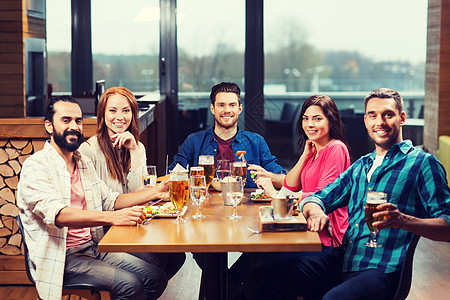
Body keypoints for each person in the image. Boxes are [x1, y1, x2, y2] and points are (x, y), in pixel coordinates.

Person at [244, 88, 450, 300]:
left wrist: (404, 221)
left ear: (402, 118)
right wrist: (315, 211)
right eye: (372, 115)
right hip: (342, 260)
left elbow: (447, 226)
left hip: (379, 270)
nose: (379, 122)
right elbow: (318, 197)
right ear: (365, 121)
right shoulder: (361, 165)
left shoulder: (423, 163)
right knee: (258, 280)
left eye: (388, 114)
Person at [17, 96, 171, 300]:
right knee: (130, 285)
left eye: (78, 121)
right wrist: (113, 218)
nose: (74, 126)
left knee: (156, 277)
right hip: (63, 256)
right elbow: (58, 215)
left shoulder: (82, 163)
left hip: (92, 246)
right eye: (66, 120)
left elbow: (110, 200)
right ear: (49, 126)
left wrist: (156, 192)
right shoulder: (36, 166)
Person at [228, 95, 351, 298]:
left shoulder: (336, 149)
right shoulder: (315, 149)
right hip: (307, 232)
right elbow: (290, 184)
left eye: (317, 119)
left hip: (326, 242)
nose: (309, 124)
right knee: (246, 263)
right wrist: (304, 155)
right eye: (305, 118)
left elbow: (321, 197)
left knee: (255, 270)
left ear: (331, 120)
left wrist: (275, 195)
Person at [78, 87, 185, 279]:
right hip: (105, 233)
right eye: (113, 110)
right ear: (102, 114)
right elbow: (103, 204)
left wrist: (134, 150)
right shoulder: (88, 151)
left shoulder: (137, 146)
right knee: (158, 261)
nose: (120, 117)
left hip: (131, 225)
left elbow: (139, 194)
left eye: (126, 110)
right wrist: (152, 193)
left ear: (133, 114)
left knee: (177, 256)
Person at [169, 82, 286, 188]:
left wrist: (269, 176)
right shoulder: (194, 141)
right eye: (221, 105)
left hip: (245, 207)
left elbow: (283, 180)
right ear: (212, 109)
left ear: (239, 109)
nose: (227, 110)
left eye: (232, 105)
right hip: (203, 206)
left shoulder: (257, 142)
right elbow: (171, 176)